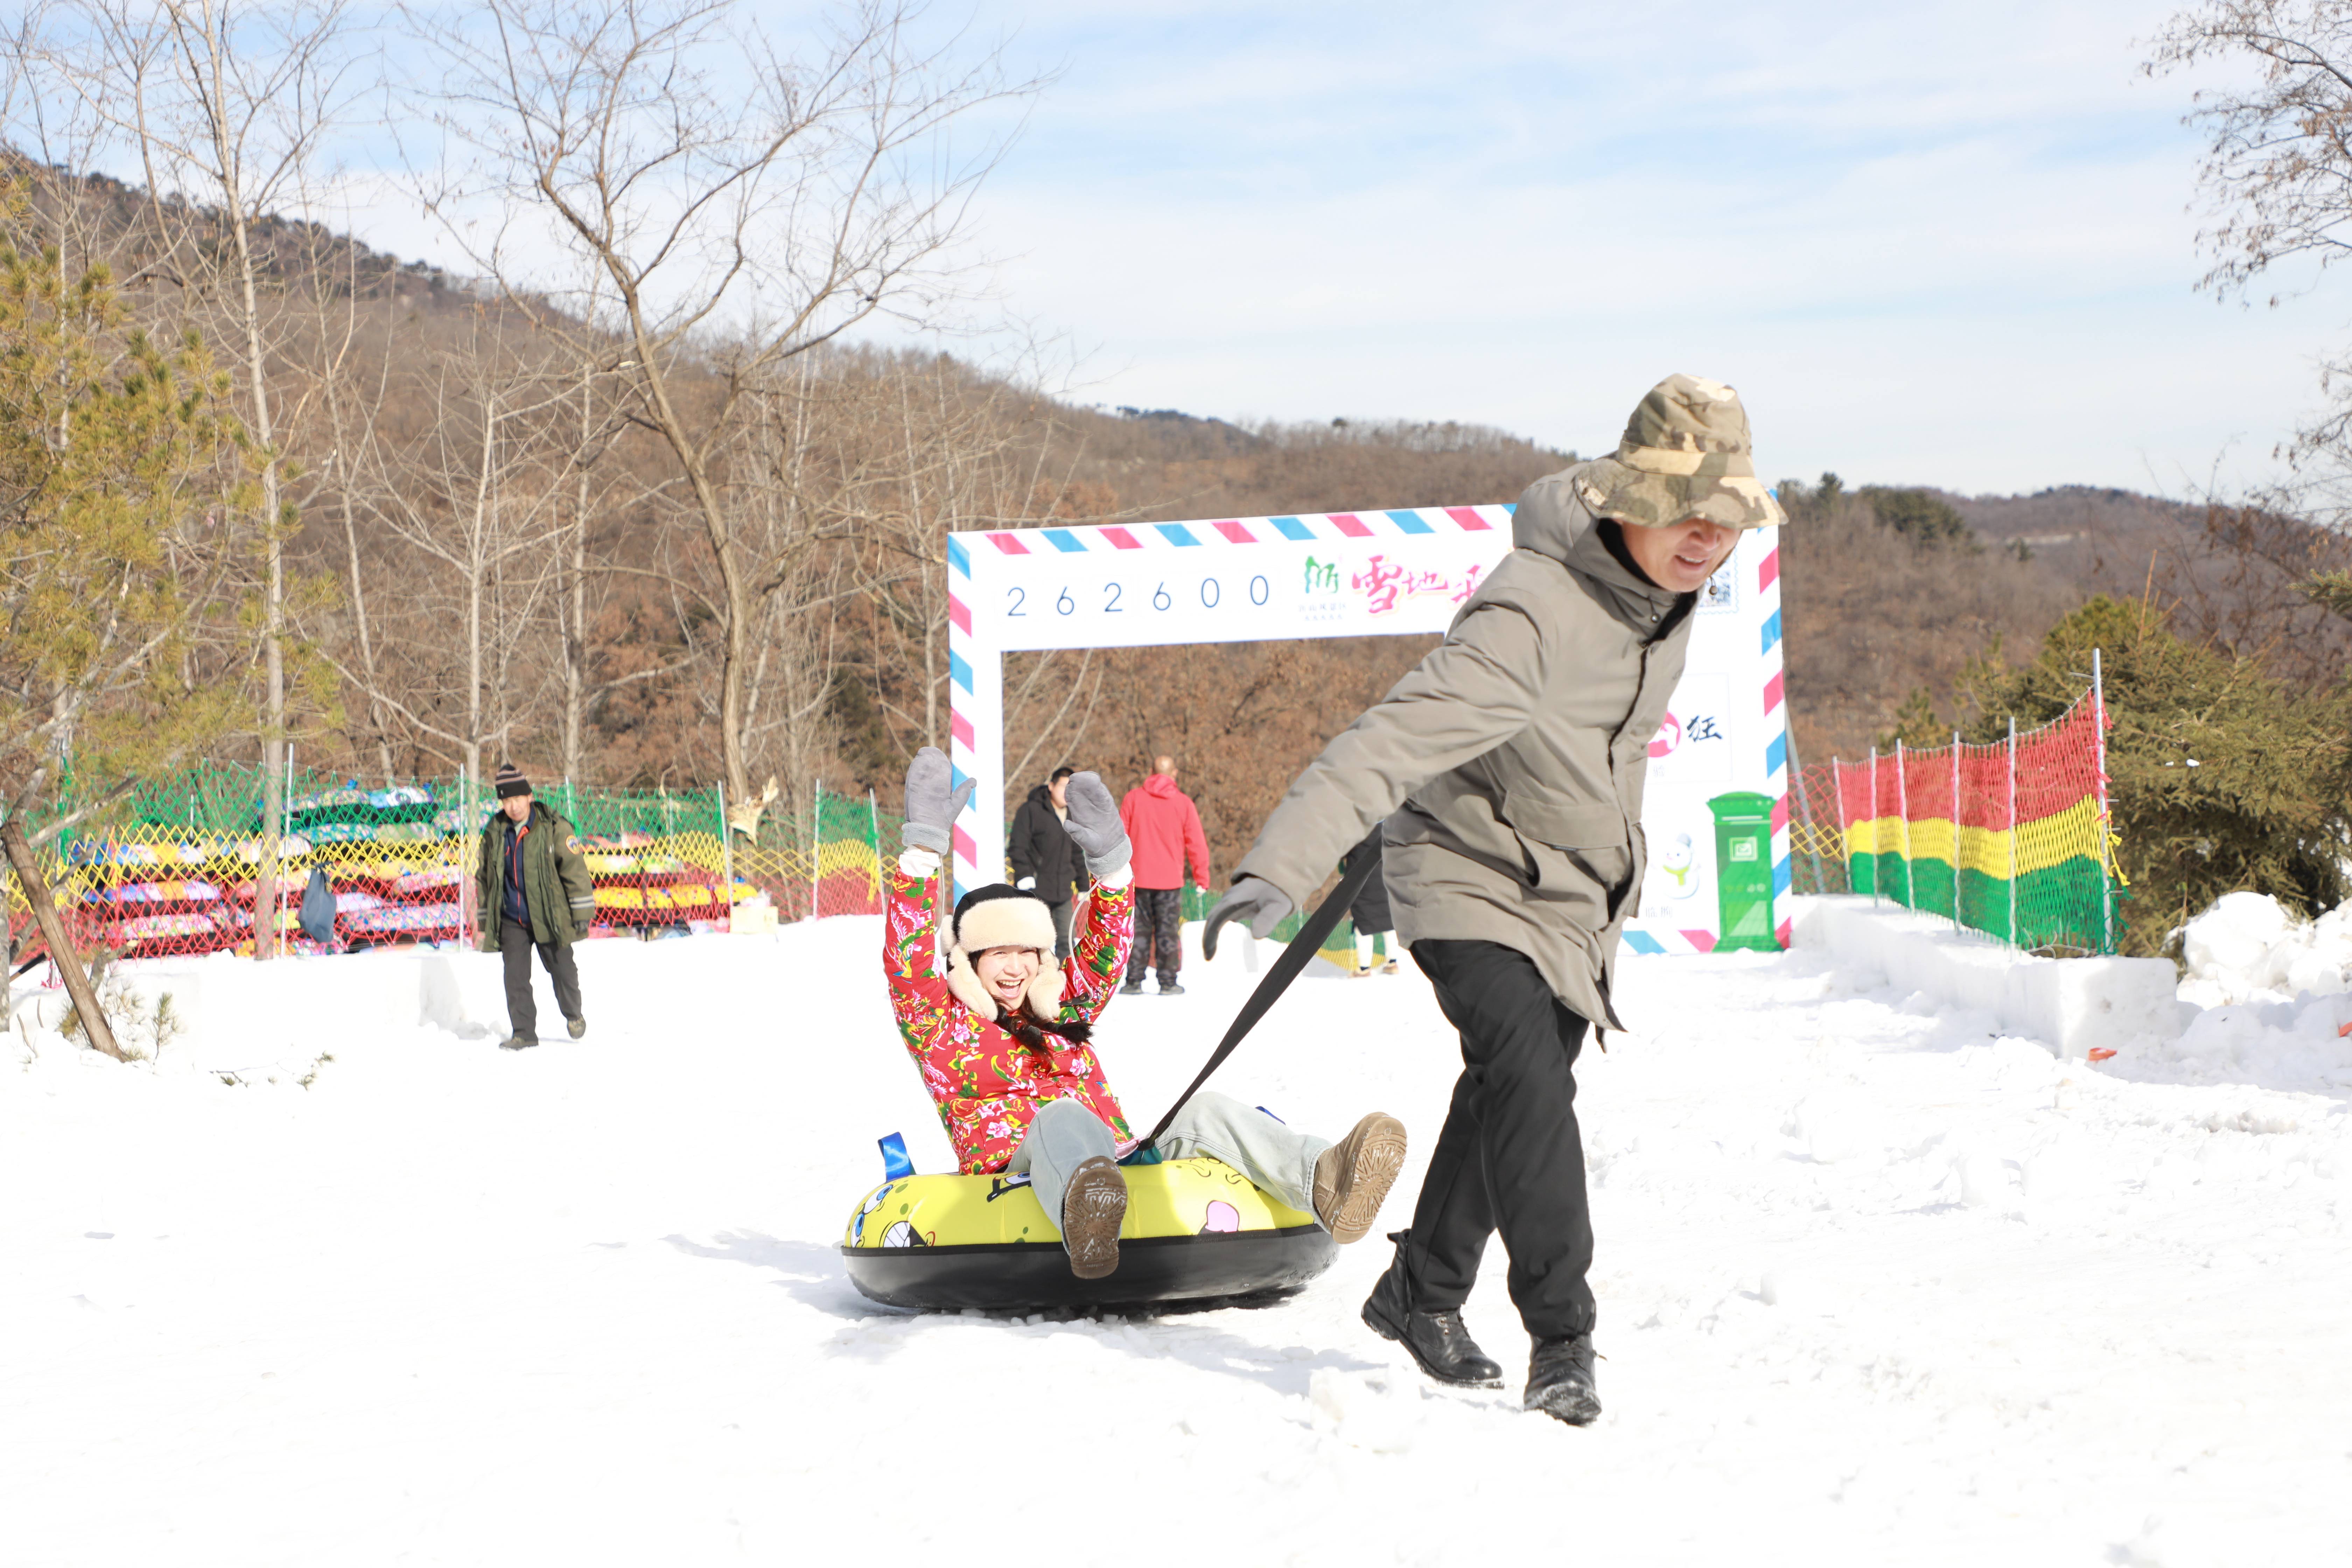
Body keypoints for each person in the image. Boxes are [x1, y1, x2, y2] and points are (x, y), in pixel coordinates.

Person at [1203, 374, 1783, 1426]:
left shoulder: (1663, 597)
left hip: (1567, 890)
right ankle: (1561, 1333)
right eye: (1681, 509)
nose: (1704, 536)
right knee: (1525, 1073)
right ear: (1624, 499)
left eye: (1724, 517)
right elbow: (1390, 736)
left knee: (1505, 1090)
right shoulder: (1533, 608)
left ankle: (1419, 1291)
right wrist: (1278, 866)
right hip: (1462, 870)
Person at [884, 746, 1407, 1279]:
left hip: (1113, 1166)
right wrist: (923, 855)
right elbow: (906, 964)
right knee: (1061, 1117)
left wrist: (1112, 869)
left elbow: (1106, 956)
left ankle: (1326, 1180)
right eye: (1000, 954)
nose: (1016, 969)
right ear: (969, 962)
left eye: (1028, 953)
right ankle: (1083, 1217)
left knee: (1206, 1112)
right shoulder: (941, 1026)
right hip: (1015, 1174)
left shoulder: (1058, 1009)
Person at [475, 763, 597, 1051]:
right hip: (511, 917)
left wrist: (581, 913)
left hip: (549, 914)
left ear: (530, 796)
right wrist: (484, 918)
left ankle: (573, 1014)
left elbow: (575, 872)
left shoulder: (555, 827)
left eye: (517, 798)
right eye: (507, 800)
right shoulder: (495, 831)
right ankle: (524, 1033)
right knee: (515, 977)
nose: (513, 806)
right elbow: (484, 877)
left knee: (563, 970)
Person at [1117, 755, 1211, 996]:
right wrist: (1202, 877)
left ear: (1151, 771)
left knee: (1137, 931)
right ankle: (1168, 982)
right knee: (1168, 932)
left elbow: (1119, 837)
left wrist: (1115, 871)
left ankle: (1134, 981)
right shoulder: (1184, 803)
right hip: (1170, 882)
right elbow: (1197, 844)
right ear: (1175, 773)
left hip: (1138, 879)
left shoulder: (1133, 799)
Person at [1008, 765, 1082, 960]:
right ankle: (1035, 986)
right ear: (1051, 786)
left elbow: (1077, 852)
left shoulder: (1073, 815)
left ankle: (1066, 986)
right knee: (1036, 944)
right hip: (1036, 891)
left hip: (1064, 892)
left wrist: (1084, 885)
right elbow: (1017, 846)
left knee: (1068, 940)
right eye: (1063, 787)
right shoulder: (1031, 810)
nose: (1067, 793)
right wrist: (1024, 875)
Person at [1341, 825, 1399, 977]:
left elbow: (1341, 852)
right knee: (1388, 921)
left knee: (1363, 924)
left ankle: (1364, 968)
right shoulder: (1385, 830)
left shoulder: (1355, 831)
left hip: (1362, 884)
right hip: (1384, 881)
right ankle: (1393, 963)